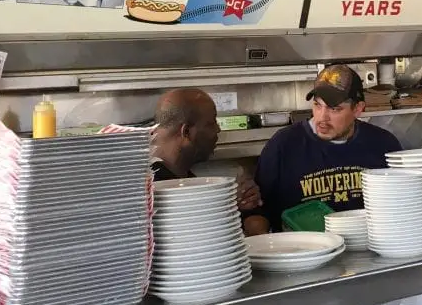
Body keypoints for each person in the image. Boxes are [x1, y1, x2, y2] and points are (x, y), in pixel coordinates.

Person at [251, 65, 403, 232]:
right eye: (317, 105)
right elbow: (257, 211)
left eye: (334, 109)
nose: (322, 118)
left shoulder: (383, 145)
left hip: (370, 247)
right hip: (303, 252)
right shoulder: (283, 145)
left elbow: (401, 204)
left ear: (358, 109)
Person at [151, 87, 267, 235]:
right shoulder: (151, 187)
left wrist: (240, 204)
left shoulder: (183, 175)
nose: (218, 130)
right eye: (211, 123)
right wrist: (227, 205)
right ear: (186, 132)